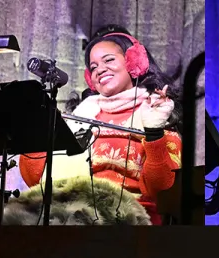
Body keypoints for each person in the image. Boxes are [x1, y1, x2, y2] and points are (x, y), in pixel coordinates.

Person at [18, 26, 182, 225]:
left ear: (134, 62)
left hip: (128, 219)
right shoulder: (79, 118)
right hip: (67, 212)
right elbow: (35, 178)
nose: (100, 69)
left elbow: (162, 190)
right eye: (93, 67)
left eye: (109, 60)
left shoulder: (157, 111)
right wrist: (37, 132)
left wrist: (154, 132)